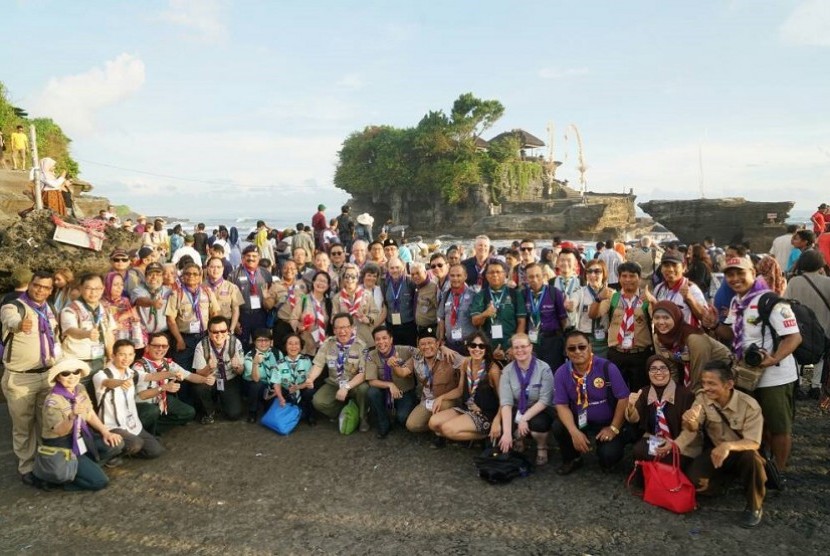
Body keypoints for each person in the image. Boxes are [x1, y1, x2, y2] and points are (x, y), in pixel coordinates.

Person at [714, 256, 801, 472]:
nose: (735, 279)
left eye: (740, 273)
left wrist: (774, 358)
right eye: (730, 274)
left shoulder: (771, 301)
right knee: (756, 424)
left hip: (775, 377)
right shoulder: (737, 302)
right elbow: (728, 332)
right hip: (747, 375)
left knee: (778, 427)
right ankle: (762, 466)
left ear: (753, 272)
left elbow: (794, 337)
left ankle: (779, 472)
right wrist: (713, 323)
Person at [674, 361, 767, 528]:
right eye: (704, 382)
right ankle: (723, 483)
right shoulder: (702, 398)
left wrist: (728, 446)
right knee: (695, 482)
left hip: (741, 451)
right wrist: (690, 422)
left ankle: (754, 506)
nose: (706, 387)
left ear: (729, 384)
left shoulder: (749, 406)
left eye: (712, 383)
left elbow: (753, 442)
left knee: (752, 459)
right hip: (716, 452)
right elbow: (692, 429)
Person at [1, 270, 62, 485]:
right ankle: (26, 467)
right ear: (30, 285)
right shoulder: (14, 306)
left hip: (46, 376)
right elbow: (10, 320)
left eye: (46, 287)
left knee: (44, 422)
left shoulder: (50, 309)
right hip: (21, 379)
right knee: (23, 426)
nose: (40, 290)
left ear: (50, 290)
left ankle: (43, 462)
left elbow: (55, 339)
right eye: (37, 285)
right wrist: (20, 325)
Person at [552, 330, 630, 474]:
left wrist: (613, 428)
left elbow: (623, 398)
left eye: (582, 347)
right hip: (580, 420)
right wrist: (574, 431)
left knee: (609, 455)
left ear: (590, 347)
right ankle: (573, 459)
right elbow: (561, 405)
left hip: (607, 421)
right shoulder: (561, 373)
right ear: (566, 352)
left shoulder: (607, 368)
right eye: (571, 348)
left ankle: (606, 457)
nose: (577, 351)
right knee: (559, 426)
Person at [41, 359, 124, 491]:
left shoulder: (80, 388)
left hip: (81, 436)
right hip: (63, 444)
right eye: (66, 373)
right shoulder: (53, 401)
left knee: (117, 442)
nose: (72, 376)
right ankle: (62, 480)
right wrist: (72, 416)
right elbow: (59, 431)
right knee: (100, 482)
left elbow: (89, 413)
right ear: (58, 377)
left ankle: (86, 466)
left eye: (75, 372)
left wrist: (105, 432)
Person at [93, 340, 164, 459]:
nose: (126, 358)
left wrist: (172, 373)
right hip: (112, 426)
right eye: (122, 354)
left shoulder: (131, 373)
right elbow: (107, 382)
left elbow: (151, 376)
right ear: (113, 356)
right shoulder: (102, 375)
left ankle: (129, 447)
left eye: (130, 354)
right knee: (136, 444)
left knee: (155, 451)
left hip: (131, 423)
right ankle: (111, 455)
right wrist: (120, 382)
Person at [590, 261, 654, 391]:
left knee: (640, 392)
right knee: (616, 392)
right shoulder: (612, 297)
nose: (628, 279)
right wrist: (598, 298)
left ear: (639, 278)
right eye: (624, 276)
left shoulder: (646, 298)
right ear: (618, 278)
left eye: (632, 276)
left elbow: (658, 319)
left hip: (640, 355)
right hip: (617, 354)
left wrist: (654, 302)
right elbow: (593, 315)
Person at [429, 331, 502, 444]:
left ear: (486, 349)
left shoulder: (492, 369)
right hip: (467, 408)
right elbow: (459, 390)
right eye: (473, 345)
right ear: (468, 347)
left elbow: (503, 400)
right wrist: (441, 398)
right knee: (433, 423)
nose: (477, 349)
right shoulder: (466, 363)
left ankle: (486, 434)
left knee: (447, 429)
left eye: (481, 346)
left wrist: (497, 420)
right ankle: (465, 431)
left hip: (484, 413)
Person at [625, 354, 696, 466]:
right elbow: (634, 419)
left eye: (663, 368)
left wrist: (675, 444)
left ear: (670, 372)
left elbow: (692, 430)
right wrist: (630, 406)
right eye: (653, 369)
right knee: (638, 451)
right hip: (657, 439)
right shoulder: (644, 392)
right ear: (648, 373)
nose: (658, 372)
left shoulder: (685, 394)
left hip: (679, 441)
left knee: (671, 462)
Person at [496, 333, 555, 466]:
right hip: (518, 407)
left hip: (539, 409)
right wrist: (507, 433)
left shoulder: (544, 368)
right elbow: (506, 403)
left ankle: (542, 446)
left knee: (538, 425)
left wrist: (524, 418)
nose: (520, 350)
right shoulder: (507, 371)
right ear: (511, 350)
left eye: (523, 346)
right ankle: (518, 438)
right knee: (504, 428)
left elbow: (545, 400)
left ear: (531, 347)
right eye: (516, 347)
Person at [132, 332, 207, 434]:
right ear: (147, 347)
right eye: (156, 346)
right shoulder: (139, 366)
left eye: (164, 346)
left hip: (161, 400)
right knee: (152, 411)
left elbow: (189, 376)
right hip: (143, 405)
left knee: (188, 412)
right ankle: (142, 430)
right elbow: (142, 396)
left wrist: (206, 380)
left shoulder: (167, 363)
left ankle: (153, 429)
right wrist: (164, 387)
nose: (160, 349)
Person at [396, 326, 464, 436]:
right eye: (423, 344)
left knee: (442, 406)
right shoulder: (416, 359)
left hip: (447, 400)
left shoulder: (448, 355)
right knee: (412, 425)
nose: (426, 347)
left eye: (430, 343)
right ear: (418, 346)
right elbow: (403, 372)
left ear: (437, 344)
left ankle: (446, 429)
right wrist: (394, 365)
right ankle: (439, 427)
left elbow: (468, 362)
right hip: (428, 401)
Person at [306, 313, 370, 431]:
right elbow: (318, 364)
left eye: (345, 327)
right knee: (318, 401)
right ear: (334, 330)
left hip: (354, 384)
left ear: (351, 328)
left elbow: (363, 374)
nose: (342, 331)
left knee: (364, 389)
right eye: (338, 328)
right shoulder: (328, 343)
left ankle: (363, 417)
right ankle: (341, 412)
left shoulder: (361, 346)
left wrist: (346, 387)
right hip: (334, 383)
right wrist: (311, 378)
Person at [651, 300, 732, 391]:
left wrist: (688, 399)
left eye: (666, 318)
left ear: (676, 318)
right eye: (656, 318)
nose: (661, 322)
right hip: (694, 372)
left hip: (721, 372)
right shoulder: (658, 338)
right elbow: (670, 370)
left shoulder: (694, 339)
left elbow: (699, 378)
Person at [784, 250, 830, 398]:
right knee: (819, 357)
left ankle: (803, 384)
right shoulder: (827, 282)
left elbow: (786, 303)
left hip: (800, 327)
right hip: (823, 326)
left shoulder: (794, 282)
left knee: (800, 356)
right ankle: (815, 386)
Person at [61, 274, 117, 386]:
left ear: (103, 289)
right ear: (81, 288)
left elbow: (109, 334)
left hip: (100, 362)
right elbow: (71, 331)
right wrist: (87, 334)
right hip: (78, 364)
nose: (93, 292)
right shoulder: (71, 309)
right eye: (89, 288)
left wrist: (111, 358)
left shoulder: (105, 309)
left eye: (97, 288)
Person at [365, 325, 418, 439]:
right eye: (377, 339)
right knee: (372, 392)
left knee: (402, 418)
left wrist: (409, 363)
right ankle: (383, 422)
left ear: (391, 339)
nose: (381, 342)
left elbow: (422, 351)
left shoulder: (404, 350)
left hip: (404, 391)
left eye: (384, 338)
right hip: (385, 392)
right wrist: (390, 384)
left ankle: (409, 407)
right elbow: (372, 381)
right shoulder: (371, 355)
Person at [166, 262, 220, 374]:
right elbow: (170, 320)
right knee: (183, 372)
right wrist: (179, 339)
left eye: (195, 274)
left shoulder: (207, 292)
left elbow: (214, 313)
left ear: (200, 276)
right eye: (188, 273)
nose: (191, 276)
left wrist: (211, 334)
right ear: (183, 276)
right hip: (185, 339)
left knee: (204, 370)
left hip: (204, 336)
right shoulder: (176, 294)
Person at [191, 316, 245, 423]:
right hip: (211, 380)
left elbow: (242, 371)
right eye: (215, 332)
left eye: (223, 331)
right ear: (209, 333)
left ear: (228, 331)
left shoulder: (235, 342)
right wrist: (208, 368)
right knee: (199, 387)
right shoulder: (201, 345)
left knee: (234, 414)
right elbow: (198, 373)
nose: (219, 335)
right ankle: (209, 412)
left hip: (229, 379)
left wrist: (238, 367)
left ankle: (225, 402)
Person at [470, 259, 527, 357]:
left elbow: (521, 322)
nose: (495, 275)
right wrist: (485, 314)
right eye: (491, 272)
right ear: (486, 276)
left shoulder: (515, 294)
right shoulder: (481, 295)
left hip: (510, 346)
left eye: (498, 272)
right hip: (488, 346)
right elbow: (475, 321)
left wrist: (515, 346)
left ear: (505, 274)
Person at [523, 262, 568, 371]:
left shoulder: (554, 292)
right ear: (526, 279)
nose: (535, 279)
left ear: (543, 276)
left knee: (553, 371)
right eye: (531, 276)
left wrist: (564, 340)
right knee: (534, 372)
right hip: (532, 341)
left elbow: (563, 319)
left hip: (552, 340)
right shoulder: (523, 294)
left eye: (537, 275)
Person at [229, 245, 274, 352]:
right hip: (242, 315)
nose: (251, 258)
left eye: (254, 256)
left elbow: (271, 294)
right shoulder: (234, 275)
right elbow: (229, 300)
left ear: (259, 257)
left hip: (261, 314)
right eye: (248, 255)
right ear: (243, 257)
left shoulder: (265, 274)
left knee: (261, 343)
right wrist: (235, 321)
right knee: (241, 345)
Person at [263, 332, 314, 425]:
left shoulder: (306, 360)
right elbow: (276, 383)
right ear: (285, 346)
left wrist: (298, 387)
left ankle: (310, 415)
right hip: (286, 390)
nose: (293, 347)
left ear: (301, 346)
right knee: (274, 403)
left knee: (309, 391)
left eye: (296, 343)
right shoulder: (279, 363)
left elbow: (310, 380)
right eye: (290, 344)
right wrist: (281, 398)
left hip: (302, 389)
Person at [653, 252, 708, 327]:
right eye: (666, 266)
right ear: (661, 269)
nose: (670, 269)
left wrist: (690, 299)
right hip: (664, 336)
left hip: (685, 337)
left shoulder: (692, 289)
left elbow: (706, 318)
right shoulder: (658, 288)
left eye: (674, 265)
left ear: (684, 267)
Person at [331, 263, 379, 347]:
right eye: (347, 276)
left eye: (353, 276)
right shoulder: (337, 298)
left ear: (357, 278)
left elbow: (375, 312)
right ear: (343, 278)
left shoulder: (367, 295)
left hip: (365, 337)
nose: (350, 279)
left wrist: (368, 318)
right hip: (345, 338)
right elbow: (333, 317)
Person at [571, 259, 610, 357]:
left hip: (605, 340)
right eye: (589, 271)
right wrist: (570, 305)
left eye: (597, 271)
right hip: (585, 339)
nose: (593, 275)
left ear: (604, 274)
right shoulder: (580, 292)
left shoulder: (611, 293)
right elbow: (573, 302)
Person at [436, 263, 476, 355]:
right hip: (450, 345)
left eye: (459, 275)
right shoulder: (445, 295)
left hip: (468, 345)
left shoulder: (473, 295)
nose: (455, 278)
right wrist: (441, 338)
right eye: (452, 275)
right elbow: (441, 317)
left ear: (465, 276)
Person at [291, 270, 332, 355]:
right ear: (313, 282)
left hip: (324, 346)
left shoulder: (329, 303)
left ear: (328, 286)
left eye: (324, 281)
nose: (321, 283)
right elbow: (293, 318)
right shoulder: (304, 299)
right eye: (318, 280)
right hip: (306, 345)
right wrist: (299, 326)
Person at [204, 256, 244, 336]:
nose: (215, 270)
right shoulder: (201, 287)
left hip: (226, 326)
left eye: (218, 267)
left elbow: (236, 310)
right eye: (212, 267)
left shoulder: (232, 287)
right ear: (207, 268)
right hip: (206, 327)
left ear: (223, 269)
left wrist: (231, 329)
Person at [102, 272, 142, 350]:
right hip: (110, 345)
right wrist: (123, 317)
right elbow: (104, 327)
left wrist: (134, 318)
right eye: (115, 285)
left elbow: (132, 319)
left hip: (126, 342)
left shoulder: (125, 300)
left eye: (121, 284)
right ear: (107, 285)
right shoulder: (101, 303)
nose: (119, 288)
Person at [383, 257, 418, 347]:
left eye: (397, 267)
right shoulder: (385, 284)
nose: (395, 270)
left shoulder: (410, 282)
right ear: (388, 269)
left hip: (408, 326)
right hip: (391, 326)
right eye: (392, 268)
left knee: (410, 353)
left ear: (403, 267)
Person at [410, 262, 439, 334]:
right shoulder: (416, 286)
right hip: (418, 328)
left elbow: (440, 311)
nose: (415, 276)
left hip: (431, 329)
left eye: (418, 273)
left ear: (425, 272)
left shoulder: (433, 288)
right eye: (412, 274)